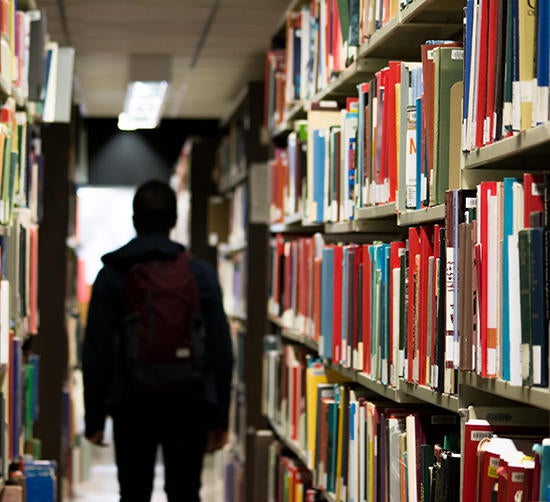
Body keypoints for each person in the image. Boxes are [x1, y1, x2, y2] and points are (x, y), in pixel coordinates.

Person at [82, 179, 233, 502]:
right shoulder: (200, 273)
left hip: (131, 402)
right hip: (190, 402)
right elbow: (221, 347)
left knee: (134, 493)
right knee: (184, 493)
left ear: (135, 220)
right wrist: (220, 417)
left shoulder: (112, 273)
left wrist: (94, 417)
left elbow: (97, 350)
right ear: (174, 220)